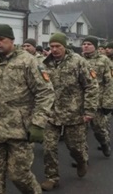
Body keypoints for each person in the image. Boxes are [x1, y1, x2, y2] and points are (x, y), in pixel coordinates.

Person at [0, 24, 54, 194]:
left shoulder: (27, 61)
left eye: (1, 39)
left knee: (19, 175)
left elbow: (45, 92)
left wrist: (38, 124)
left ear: (11, 40)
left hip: (19, 130)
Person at [41, 33, 99, 191]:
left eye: (57, 46)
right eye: (51, 46)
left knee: (75, 147)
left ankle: (81, 161)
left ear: (64, 46)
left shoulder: (77, 62)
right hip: (51, 114)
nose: (54, 49)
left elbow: (91, 86)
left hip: (73, 113)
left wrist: (89, 110)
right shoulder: (44, 63)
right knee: (48, 148)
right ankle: (52, 177)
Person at [81, 37, 113, 157]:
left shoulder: (104, 60)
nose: (86, 46)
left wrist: (108, 103)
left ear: (95, 46)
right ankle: (83, 158)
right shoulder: (78, 60)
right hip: (80, 101)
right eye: (84, 44)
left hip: (97, 102)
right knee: (80, 132)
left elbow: (109, 83)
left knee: (98, 128)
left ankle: (104, 143)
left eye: (89, 44)